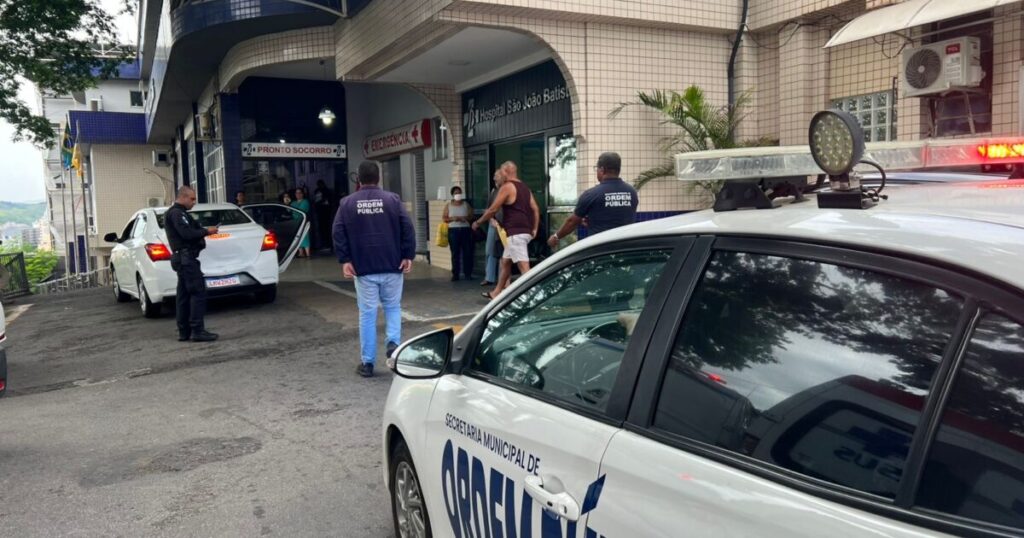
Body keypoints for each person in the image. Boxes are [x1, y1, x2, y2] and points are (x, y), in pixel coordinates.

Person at [333, 161, 416, 378]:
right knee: (393, 307)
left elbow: (338, 231)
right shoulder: (393, 200)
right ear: (378, 178)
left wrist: (345, 259)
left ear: (359, 179)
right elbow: (407, 227)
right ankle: (393, 344)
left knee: (368, 314)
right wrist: (407, 255)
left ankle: (367, 363)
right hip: (392, 265)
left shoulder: (347, 203)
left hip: (363, 268)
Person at [472, 161, 539, 300]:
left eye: (501, 171)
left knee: (524, 267)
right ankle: (497, 292)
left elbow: (493, 209)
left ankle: (535, 297)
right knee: (505, 262)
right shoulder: (524, 187)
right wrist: (535, 228)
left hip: (515, 233)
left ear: (507, 171)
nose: (499, 174)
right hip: (523, 231)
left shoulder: (507, 186)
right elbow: (535, 208)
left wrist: (478, 222)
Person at [548, 152, 638, 250]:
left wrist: (556, 236)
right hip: (626, 248)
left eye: (597, 168)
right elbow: (619, 215)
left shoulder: (591, 194)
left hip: (601, 250)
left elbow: (572, 222)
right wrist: (594, 221)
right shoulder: (632, 192)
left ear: (602, 170)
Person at [165, 186, 219, 342]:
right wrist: (206, 232)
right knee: (197, 293)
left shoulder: (178, 213)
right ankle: (197, 330)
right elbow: (186, 234)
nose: (194, 202)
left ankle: (184, 331)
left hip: (183, 258)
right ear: (183, 197)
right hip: (186, 258)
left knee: (183, 295)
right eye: (192, 198)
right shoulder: (177, 213)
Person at [443, 186, 475, 281]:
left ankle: (468, 273)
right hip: (453, 231)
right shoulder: (448, 205)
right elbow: (444, 218)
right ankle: (455, 274)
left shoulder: (466, 204)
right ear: (452, 195)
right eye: (456, 193)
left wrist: (465, 218)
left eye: (459, 193)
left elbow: (471, 216)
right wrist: (453, 218)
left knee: (467, 252)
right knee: (455, 253)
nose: (458, 195)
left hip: (465, 230)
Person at [481, 171, 505, 287]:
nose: (494, 178)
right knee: (490, 251)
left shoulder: (508, 190)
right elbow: (489, 208)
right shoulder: (494, 191)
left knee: (503, 253)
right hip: (493, 224)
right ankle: (489, 277)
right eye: (494, 176)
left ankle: (503, 280)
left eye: (497, 176)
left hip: (505, 225)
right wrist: (490, 219)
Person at [314, 180, 335, 251]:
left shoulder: (326, 191)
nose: (319, 186)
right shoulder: (317, 191)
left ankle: (328, 245)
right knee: (322, 229)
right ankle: (324, 244)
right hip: (320, 212)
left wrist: (320, 202)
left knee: (326, 229)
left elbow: (328, 201)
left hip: (326, 213)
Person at [291, 188, 312, 258]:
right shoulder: (293, 202)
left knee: (305, 237)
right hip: (295, 222)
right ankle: (301, 253)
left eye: (300, 193)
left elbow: (300, 211)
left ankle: (308, 253)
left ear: (302, 194)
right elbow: (288, 210)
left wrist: (293, 211)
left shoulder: (305, 202)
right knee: (297, 237)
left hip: (303, 222)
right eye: (296, 193)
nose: (298, 194)